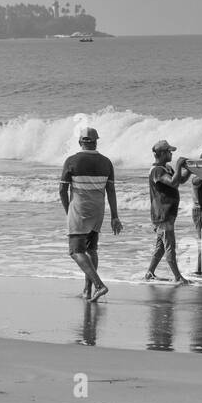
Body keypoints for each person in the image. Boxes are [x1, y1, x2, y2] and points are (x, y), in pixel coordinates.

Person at [59, 127, 122, 302]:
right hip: (98, 210)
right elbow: (111, 190)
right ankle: (88, 290)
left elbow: (62, 189)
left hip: (80, 209)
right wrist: (115, 216)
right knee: (91, 249)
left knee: (75, 251)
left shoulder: (71, 161)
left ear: (80, 142)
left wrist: (68, 211)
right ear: (95, 142)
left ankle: (99, 285)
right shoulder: (106, 162)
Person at [145, 140, 191, 284]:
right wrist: (178, 165)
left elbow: (180, 180)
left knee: (161, 246)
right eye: (169, 151)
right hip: (162, 215)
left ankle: (149, 272)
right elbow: (173, 182)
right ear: (163, 153)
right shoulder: (157, 170)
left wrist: (188, 170)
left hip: (167, 214)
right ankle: (178, 277)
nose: (171, 154)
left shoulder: (166, 168)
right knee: (170, 245)